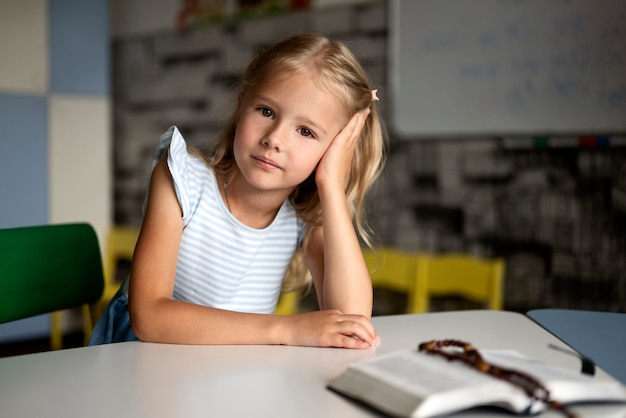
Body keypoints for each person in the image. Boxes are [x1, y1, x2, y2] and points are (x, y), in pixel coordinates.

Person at [90, 33, 386, 349]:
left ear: (333, 150)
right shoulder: (182, 179)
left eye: (306, 131)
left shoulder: (304, 216)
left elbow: (352, 321)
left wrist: (331, 187)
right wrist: (286, 331)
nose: (275, 138)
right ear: (241, 106)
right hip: (140, 362)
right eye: (267, 111)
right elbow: (149, 317)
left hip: (227, 371)